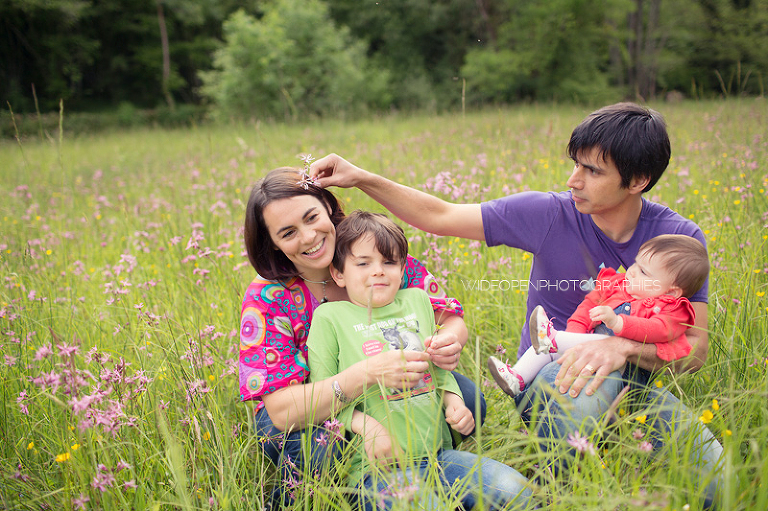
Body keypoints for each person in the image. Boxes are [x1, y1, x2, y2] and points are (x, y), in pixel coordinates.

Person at [309, 103, 725, 507]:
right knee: (578, 405)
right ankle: (558, 494)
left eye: (592, 170)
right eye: (575, 163)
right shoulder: (548, 213)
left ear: (638, 180)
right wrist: (361, 178)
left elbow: (696, 349)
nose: (573, 180)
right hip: (551, 380)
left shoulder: (676, 241)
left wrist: (624, 347)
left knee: (719, 485)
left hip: (637, 386)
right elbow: (440, 215)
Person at [240, 167, 486, 508]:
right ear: (274, 244)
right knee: (322, 443)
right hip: (306, 409)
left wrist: (447, 342)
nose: (309, 236)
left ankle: (417, 469)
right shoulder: (268, 297)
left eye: (312, 217)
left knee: (469, 396)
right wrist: (365, 375)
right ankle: (307, 498)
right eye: (288, 233)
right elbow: (281, 411)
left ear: (327, 206)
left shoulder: (372, 251)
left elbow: (449, 318)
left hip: (388, 389)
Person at [307, 210, 532, 510]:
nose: (378, 271)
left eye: (389, 262)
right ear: (338, 273)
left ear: (402, 269)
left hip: (438, 456)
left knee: (519, 493)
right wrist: (367, 426)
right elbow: (323, 395)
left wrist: (453, 401)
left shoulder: (416, 301)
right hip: (376, 471)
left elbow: (435, 367)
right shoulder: (330, 318)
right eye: (363, 263)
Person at [489, 234, 708, 397]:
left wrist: (619, 322)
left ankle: (554, 339)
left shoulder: (671, 309)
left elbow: (657, 331)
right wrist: (574, 337)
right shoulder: (617, 286)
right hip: (590, 355)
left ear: (671, 291)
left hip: (626, 373)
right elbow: (585, 310)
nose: (631, 271)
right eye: (635, 263)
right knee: (546, 351)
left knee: (568, 342)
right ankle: (517, 378)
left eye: (643, 272)